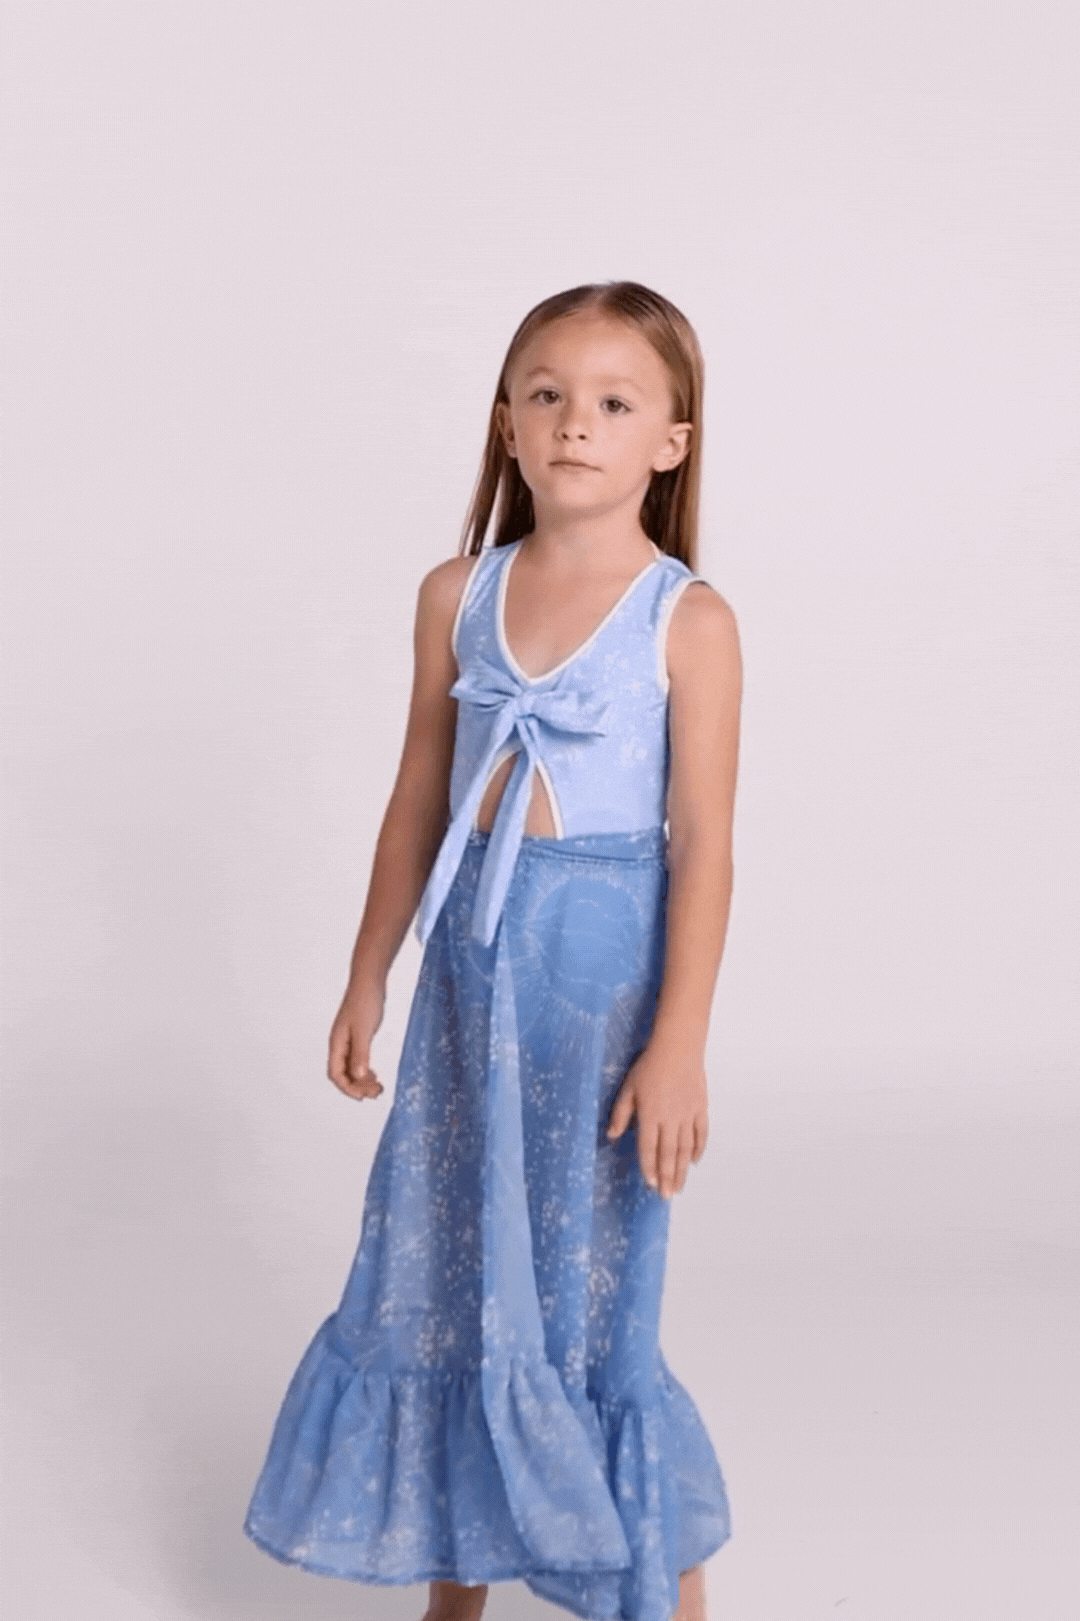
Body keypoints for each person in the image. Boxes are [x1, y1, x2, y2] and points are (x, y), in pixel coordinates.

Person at [242, 280, 742, 1621]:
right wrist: (370, 970)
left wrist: (681, 1042)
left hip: (601, 994)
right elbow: (421, 793)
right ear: (507, 423)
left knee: (590, 1297)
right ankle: (451, 1600)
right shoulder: (458, 594)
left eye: (614, 403)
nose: (576, 423)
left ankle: (659, 1594)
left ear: (670, 442)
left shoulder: (687, 620)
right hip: (471, 985)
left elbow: (704, 844)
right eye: (547, 395)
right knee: (450, 1274)